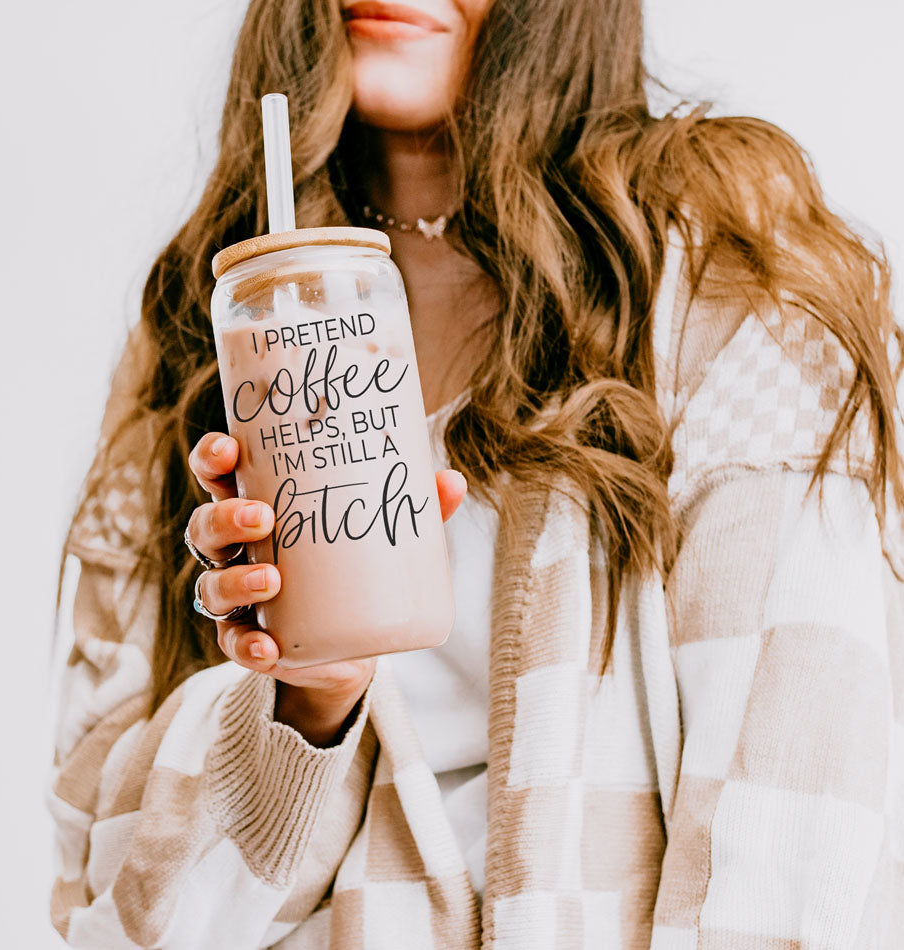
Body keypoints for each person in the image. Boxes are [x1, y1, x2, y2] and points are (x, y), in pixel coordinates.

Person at [48, 0, 904, 946]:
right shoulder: (198, 336)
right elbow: (106, 905)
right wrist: (304, 703)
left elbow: (792, 820)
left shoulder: (725, 281)